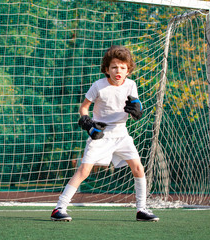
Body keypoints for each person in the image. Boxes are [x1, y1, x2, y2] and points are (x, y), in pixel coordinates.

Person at [51, 45, 159, 222]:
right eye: (114, 67)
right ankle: (59, 208)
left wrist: (138, 111)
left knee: (138, 168)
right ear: (107, 69)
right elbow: (84, 107)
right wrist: (88, 124)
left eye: (123, 67)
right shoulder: (98, 86)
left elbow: (136, 106)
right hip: (101, 134)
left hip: (122, 134)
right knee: (85, 170)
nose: (118, 70)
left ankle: (142, 209)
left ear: (128, 70)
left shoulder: (131, 85)